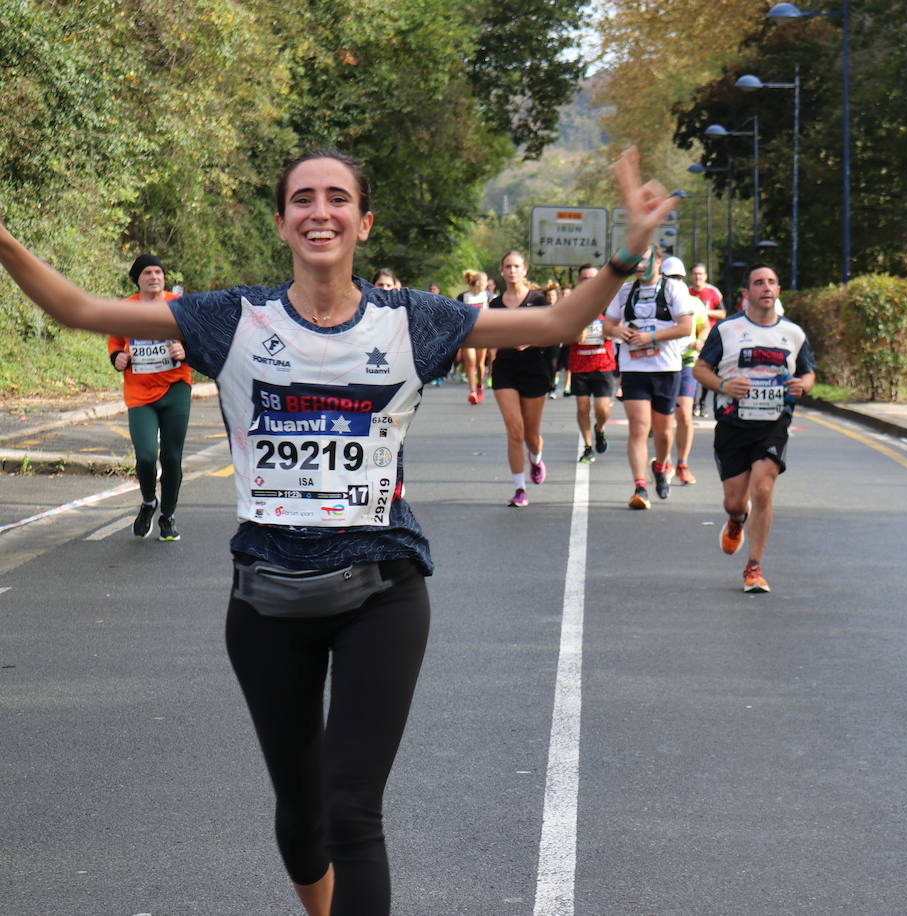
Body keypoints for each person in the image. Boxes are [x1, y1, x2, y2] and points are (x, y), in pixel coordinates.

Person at [0, 146, 675, 915]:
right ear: (283, 221)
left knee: (353, 810)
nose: (320, 211)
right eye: (303, 199)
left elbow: (554, 320)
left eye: (337, 198)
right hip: (265, 598)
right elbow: (80, 311)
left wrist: (626, 253)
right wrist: (6, 241)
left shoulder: (414, 320)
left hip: (381, 589)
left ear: (363, 221)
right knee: (301, 815)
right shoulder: (231, 319)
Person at [693, 263, 815, 593]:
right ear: (747, 293)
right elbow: (700, 369)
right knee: (736, 502)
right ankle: (736, 521)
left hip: (773, 423)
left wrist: (802, 386)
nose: (766, 287)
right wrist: (722, 386)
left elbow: (808, 373)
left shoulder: (793, 333)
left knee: (762, 488)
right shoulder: (728, 330)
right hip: (733, 422)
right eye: (759, 283)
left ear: (777, 291)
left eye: (772, 282)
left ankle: (754, 567)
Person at [603, 245, 696, 508]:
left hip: (666, 368)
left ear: (659, 261)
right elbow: (608, 325)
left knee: (664, 432)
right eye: (636, 262)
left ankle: (661, 464)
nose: (641, 267)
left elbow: (686, 327)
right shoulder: (623, 292)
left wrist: (651, 337)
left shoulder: (674, 289)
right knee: (639, 428)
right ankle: (640, 487)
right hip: (634, 369)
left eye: (645, 261)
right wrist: (620, 332)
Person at [107, 254, 190, 540]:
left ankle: (167, 515)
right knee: (145, 455)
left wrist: (186, 351)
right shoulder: (126, 309)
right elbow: (115, 341)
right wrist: (116, 356)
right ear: (137, 279)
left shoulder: (178, 305)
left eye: (158, 272)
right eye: (147, 273)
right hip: (139, 391)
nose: (154, 276)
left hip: (176, 386)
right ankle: (147, 501)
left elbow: (197, 336)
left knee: (171, 457)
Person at [490, 250, 556, 507]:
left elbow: (552, 333)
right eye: (508, 266)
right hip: (505, 369)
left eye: (517, 266)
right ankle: (519, 488)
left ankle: (536, 457)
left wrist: (529, 341)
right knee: (515, 431)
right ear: (502, 270)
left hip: (534, 369)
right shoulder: (495, 304)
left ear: (525, 270)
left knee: (531, 434)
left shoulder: (539, 300)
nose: (512, 271)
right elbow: (490, 335)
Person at [661, 256, 708, 484]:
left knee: (684, 415)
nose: (675, 282)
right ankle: (665, 461)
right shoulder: (654, 303)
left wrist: (701, 340)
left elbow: (704, 325)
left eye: (679, 278)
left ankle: (682, 463)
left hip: (686, 361)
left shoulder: (694, 303)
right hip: (660, 364)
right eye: (670, 278)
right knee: (664, 417)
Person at [567, 263, 615, 463]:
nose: (589, 282)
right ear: (579, 281)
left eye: (592, 278)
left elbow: (619, 328)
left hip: (603, 363)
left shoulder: (610, 303)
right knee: (583, 407)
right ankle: (587, 446)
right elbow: (562, 331)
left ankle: (599, 428)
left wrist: (610, 331)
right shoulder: (572, 304)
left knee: (602, 409)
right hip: (580, 364)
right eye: (585, 278)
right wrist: (575, 333)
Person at [688, 262, 725, 418]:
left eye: (701, 274)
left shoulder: (712, 292)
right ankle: (693, 402)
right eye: (695, 274)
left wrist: (704, 311)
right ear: (691, 276)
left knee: (707, 369)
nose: (698, 277)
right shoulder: (685, 292)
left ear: (706, 276)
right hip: (691, 339)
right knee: (693, 369)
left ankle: (703, 402)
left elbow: (722, 313)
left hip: (709, 337)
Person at [458, 270, 491, 404]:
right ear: (478, 283)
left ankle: (479, 386)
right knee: (470, 362)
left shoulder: (487, 296)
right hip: (468, 333)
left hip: (482, 333)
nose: (487, 284)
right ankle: (472, 392)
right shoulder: (464, 297)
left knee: (480, 364)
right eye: (485, 281)